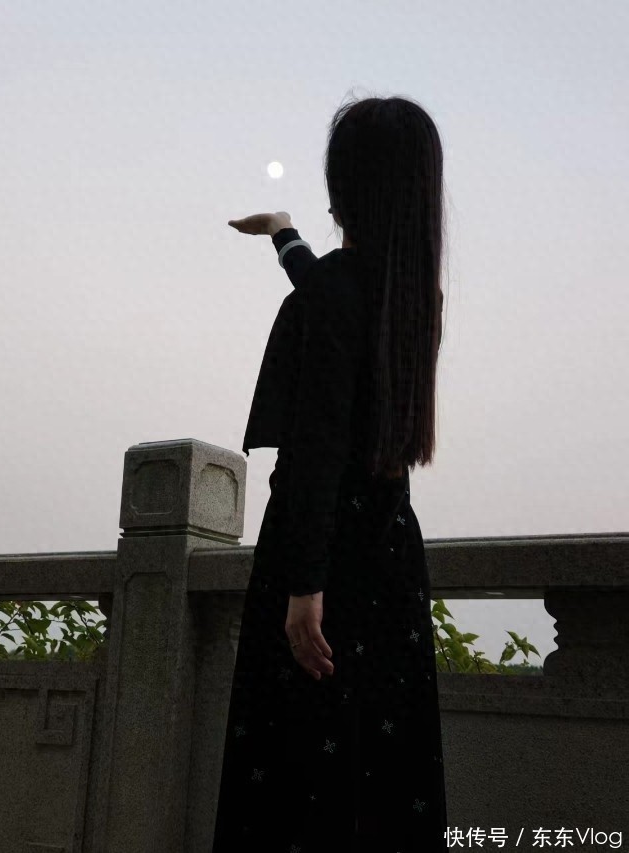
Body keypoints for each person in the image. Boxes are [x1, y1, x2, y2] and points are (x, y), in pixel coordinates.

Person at [212, 95, 448, 852]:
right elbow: (320, 287)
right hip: (389, 552)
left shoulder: (339, 292)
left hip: (318, 557)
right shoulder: (413, 297)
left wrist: (304, 587)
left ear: (348, 185)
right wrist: (283, 233)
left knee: (294, 775)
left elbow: (315, 449)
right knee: (381, 775)